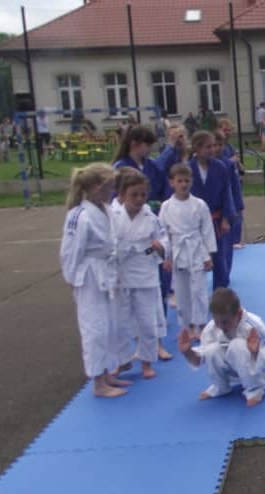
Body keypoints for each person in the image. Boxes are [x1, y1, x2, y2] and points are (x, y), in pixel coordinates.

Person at [59, 163, 128, 398]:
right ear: (97, 188)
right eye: (110, 187)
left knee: (109, 325)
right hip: (88, 277)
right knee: (94, 329)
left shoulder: (104, 209)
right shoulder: (79, 215)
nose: (113, 192)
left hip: (106, 272)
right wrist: (72, 279)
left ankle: (107, 372)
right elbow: (69, 252)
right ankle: (98, 383)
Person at [113, 125, 175, 361]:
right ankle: (131, 351)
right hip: (127, 263)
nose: (149, 150)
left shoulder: (150, 168)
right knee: (127, 312)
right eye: (147, 145)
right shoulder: (120, 168)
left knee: (155, 302)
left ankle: (155, 345)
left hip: (148, 253)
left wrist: (162, 249)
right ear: (135, 143)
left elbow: (162, 183)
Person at [177, 288, 265, 408]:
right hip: (231, 368)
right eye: (217, 322)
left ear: (239, 314)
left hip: (257, 370)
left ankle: (256, 388)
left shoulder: (253, 324)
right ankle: (220, 387)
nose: (221, 326)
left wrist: (255, 353)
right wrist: (188, 352)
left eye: (225, 322)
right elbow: (203, 358)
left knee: (237, 345)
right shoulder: (211, 328)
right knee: (211, 350)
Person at [111, 168, 169, 380]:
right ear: (121, 195)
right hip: (121, 275)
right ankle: (122, 360)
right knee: (120, 322)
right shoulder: (112, 217)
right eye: (133, 194)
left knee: (147, 321)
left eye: (142, 194)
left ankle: (146, 361)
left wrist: (160, 247)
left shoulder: (151, 218)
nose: (138, 199)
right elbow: (105, 245)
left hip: (145, 274)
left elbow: (164, 240)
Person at [160, 163, 217, 338]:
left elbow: (207, 230)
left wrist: (209, 255)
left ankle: (201, 324)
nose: (183, 184)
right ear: (172, 183)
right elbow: (163, 233)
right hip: (177, 251)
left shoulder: (199, 204)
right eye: (179, 181)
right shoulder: (166, 206)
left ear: (191, 181)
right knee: (182, 292)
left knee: (199, 290)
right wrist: (166, 258)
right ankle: (188, 326)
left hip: (196, 249)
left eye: (187, 180)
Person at [189, 130, 236, 290]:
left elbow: (226, 193)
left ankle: (221, 292)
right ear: (196, 148)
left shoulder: (220, 167)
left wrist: (225, 219)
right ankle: (196, 292)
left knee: (219, 259)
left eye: (213, 146)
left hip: (216, 219)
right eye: (208, 147)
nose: (212, 150)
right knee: (196, 259)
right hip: (194, 222)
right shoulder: (187, 168)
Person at [213, 131, 245, 258]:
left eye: (220, 145)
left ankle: (234, 242)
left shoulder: (229, 164)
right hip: (214, 203)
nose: (217, 148)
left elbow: (236, 186)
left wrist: (239, 205)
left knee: (234, 220)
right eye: (214, 145)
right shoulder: (205, 163)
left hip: (229, 198)